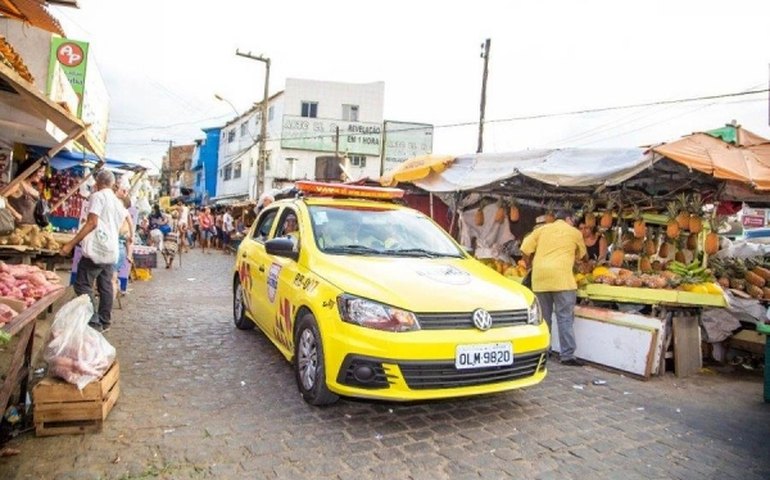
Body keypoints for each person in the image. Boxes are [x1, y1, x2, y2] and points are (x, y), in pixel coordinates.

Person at [60, 170, 127, 333]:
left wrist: (71, 244)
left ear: (97, 182)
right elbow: (121, 228)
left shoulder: (98, 197)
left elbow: (92, 223)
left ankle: (94, 321)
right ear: (112, 183)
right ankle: (105, 320)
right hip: (111, 249)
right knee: (105, 285)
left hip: (98, 249)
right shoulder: (118, 203)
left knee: (82, 284)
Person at [520, 209, 587, 366]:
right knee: (564, 317)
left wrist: (529, 263)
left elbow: (524, 248)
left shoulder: (541, 230)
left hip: (540, 278)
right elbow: (582, 256)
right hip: (563, 279)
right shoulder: (574, 232)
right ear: (569, 219)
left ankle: (544, 350)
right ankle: (567, 355)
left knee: (544, 318)